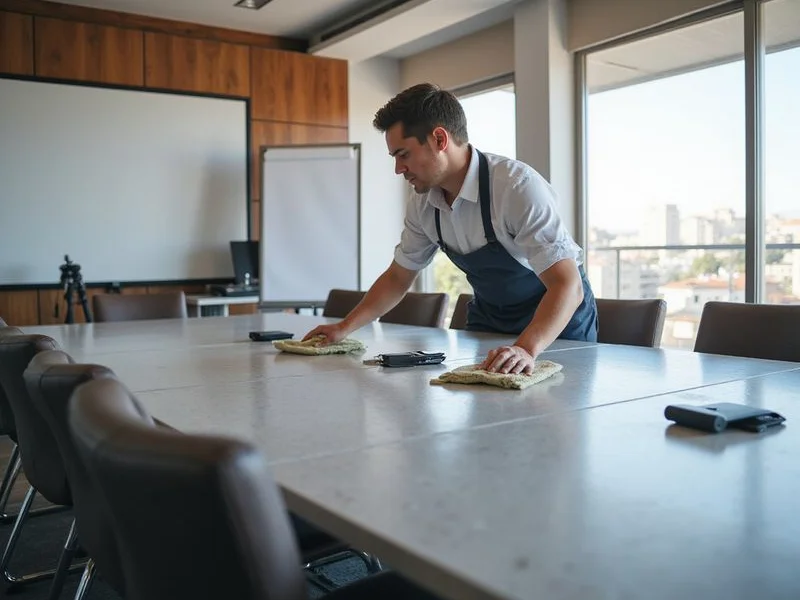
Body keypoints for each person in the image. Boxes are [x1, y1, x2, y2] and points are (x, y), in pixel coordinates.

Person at [304, 82, 597, 375]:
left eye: (403, 154)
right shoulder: (422, 204)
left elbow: (566, 285)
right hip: (492, 318)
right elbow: (397, 277)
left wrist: (526, 348)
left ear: (439, 139)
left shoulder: (516, 187)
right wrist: (343, 328)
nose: (398, 169)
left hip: (557, 324)